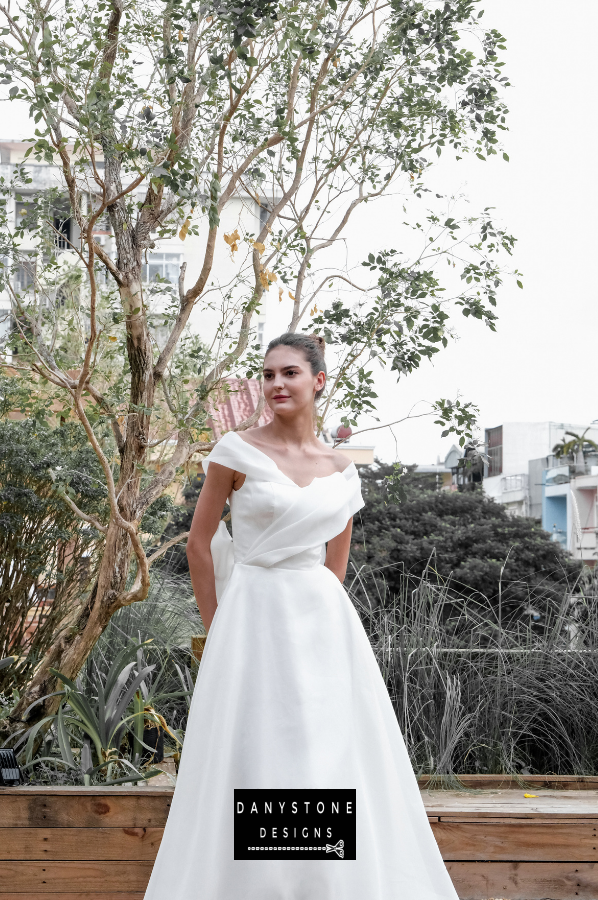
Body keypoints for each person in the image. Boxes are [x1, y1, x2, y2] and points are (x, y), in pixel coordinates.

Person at [143, 333, 458, 900]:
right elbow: (199, 544)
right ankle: (257, 887)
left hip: (320, 620)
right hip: (251, 613)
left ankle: (324, 884)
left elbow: (335, 565)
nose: (276, 385)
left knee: (323, 749)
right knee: (259, 748)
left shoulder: (341, 469)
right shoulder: (233, 451)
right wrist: (219, 631)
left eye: (289, 373)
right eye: (267, 375)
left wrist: (316, 626)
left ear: (318, 381)